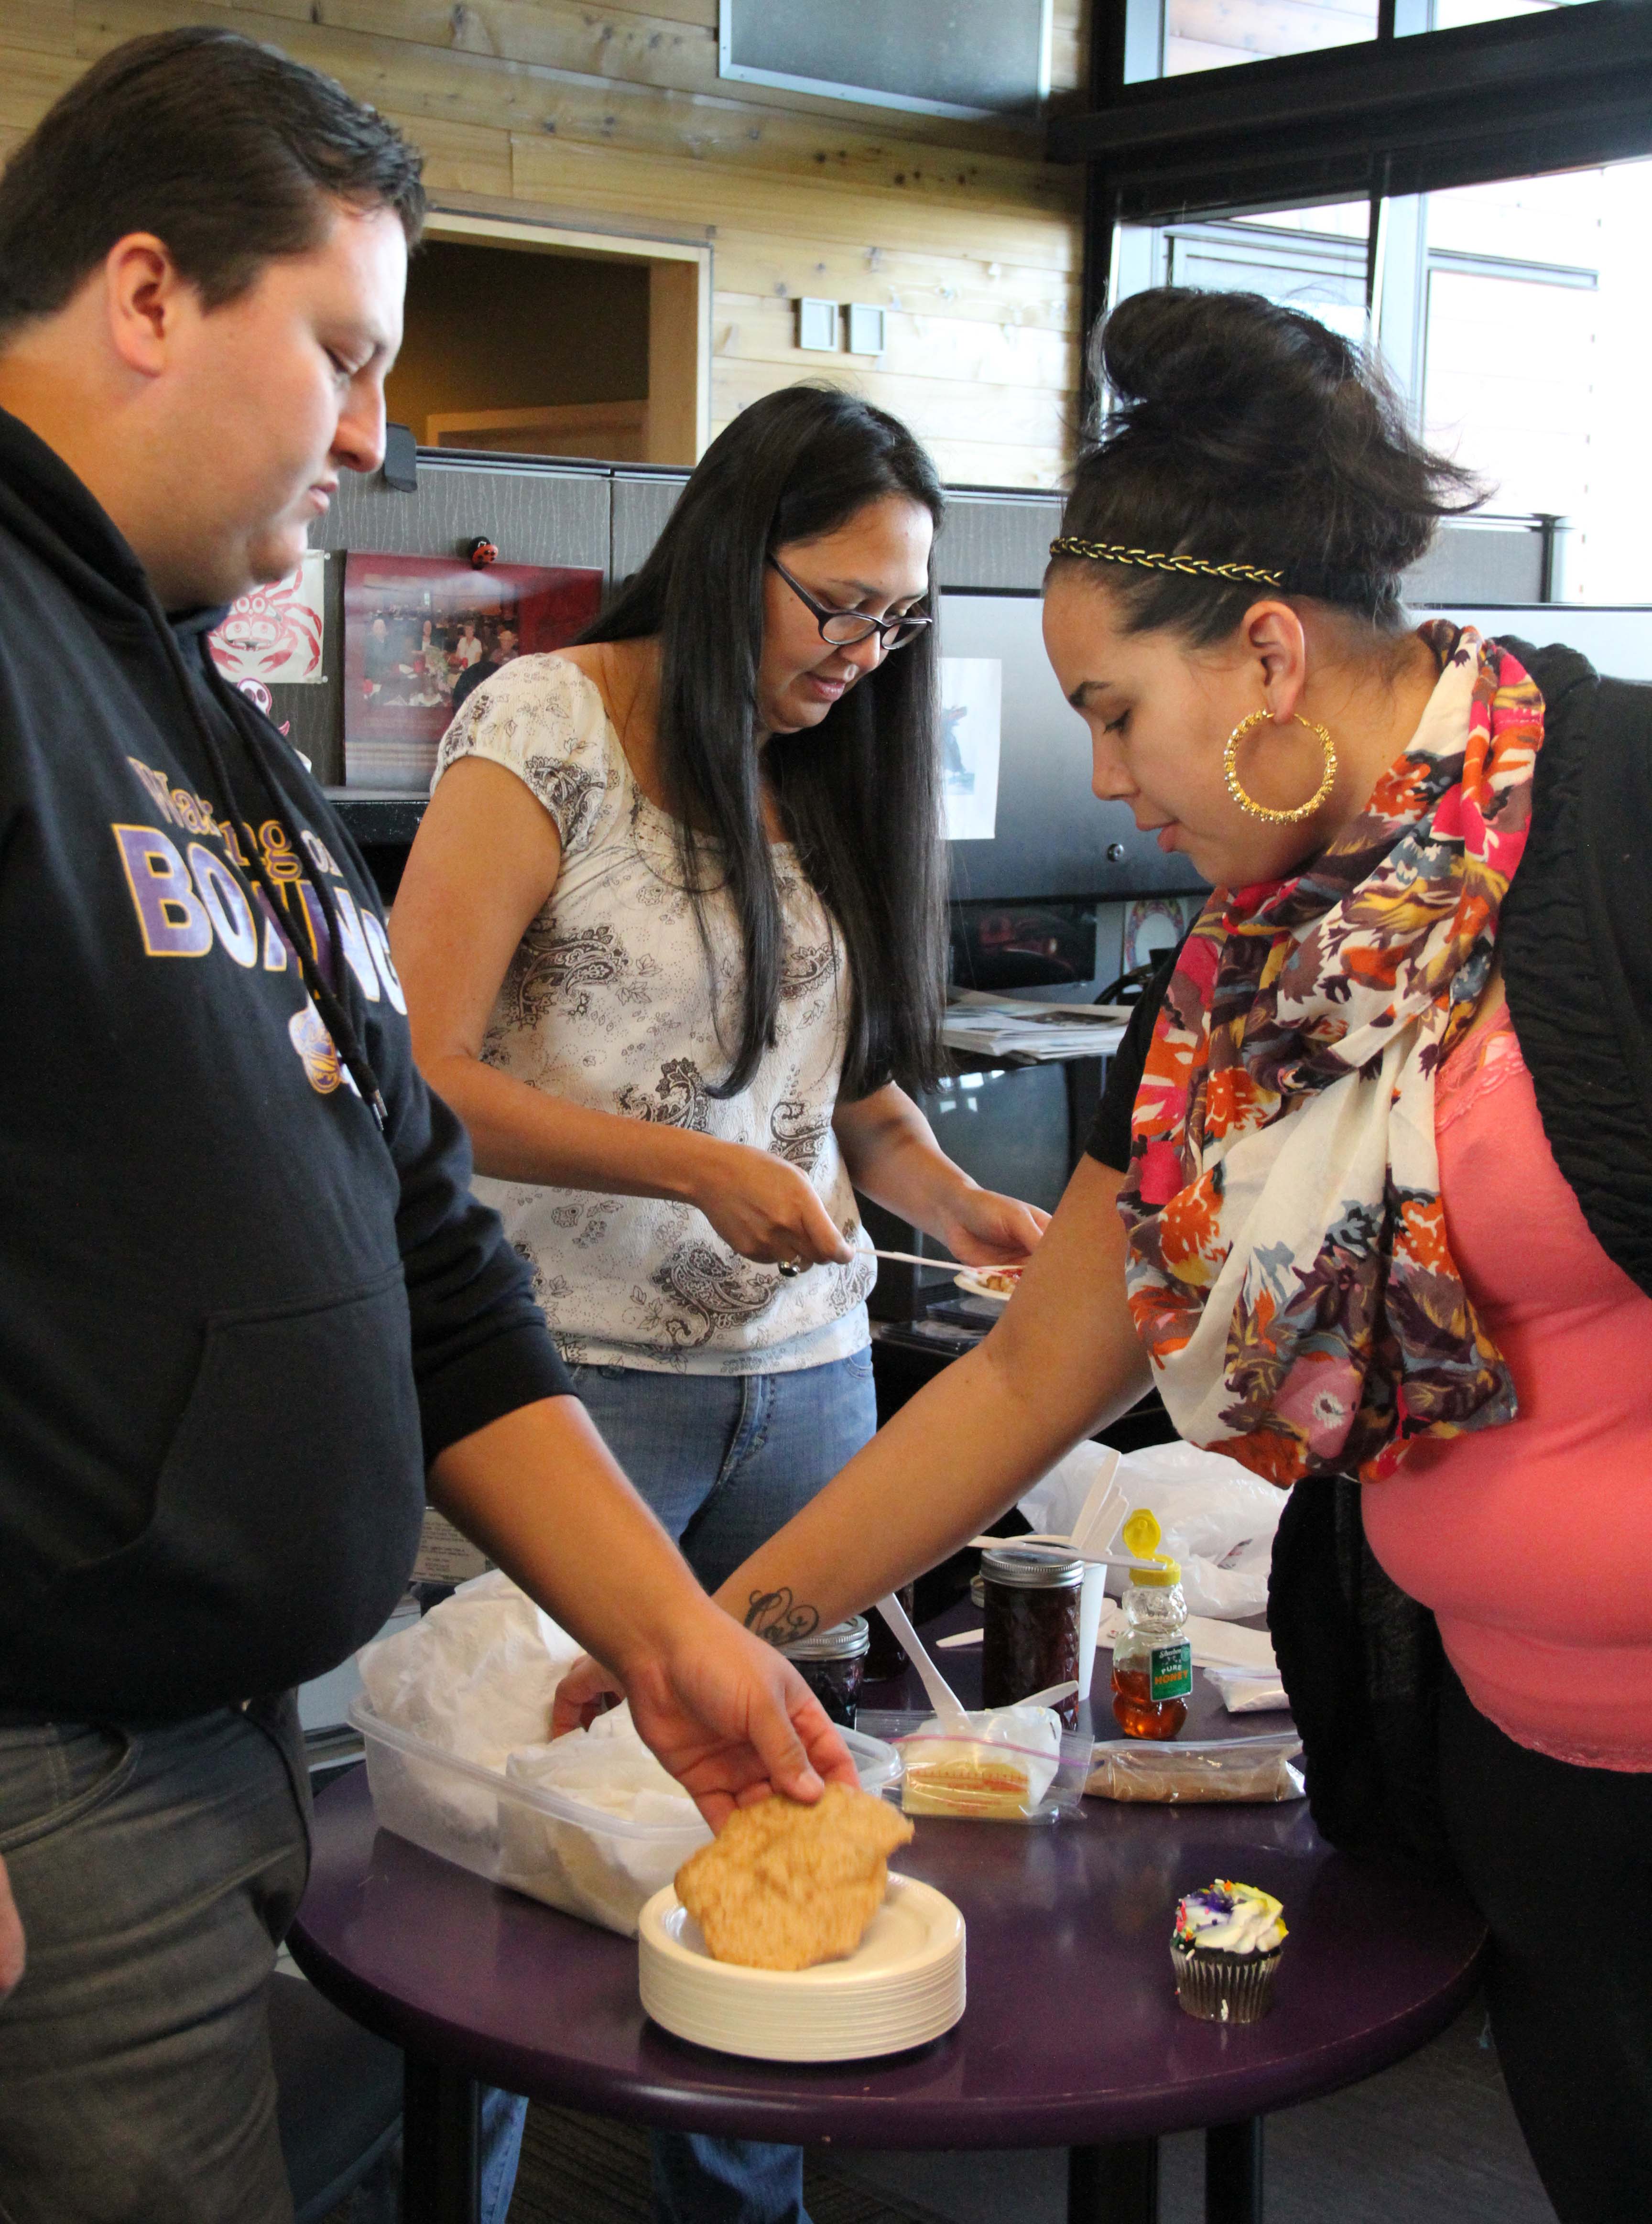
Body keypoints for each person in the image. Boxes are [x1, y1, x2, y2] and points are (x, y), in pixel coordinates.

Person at [561, 286, 1652, 2224]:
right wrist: (726, 1626)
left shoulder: (1617, 829)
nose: (1112, 773)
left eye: (1112, 712)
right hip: (1524, 1777)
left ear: (1266, 653)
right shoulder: (1236, 993)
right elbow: (1016, 1375)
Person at [0, 32, 856, 2224]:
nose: (381, 436)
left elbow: (434, 1270)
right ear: (148, 293)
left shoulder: (204, 719)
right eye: (347, 355)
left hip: (237, 1742)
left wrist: (670, 1635)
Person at [391, 383, 1048, 2224]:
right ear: (730, 552)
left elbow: (845, 1099)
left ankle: (742, 2205)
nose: (867, 652)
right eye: (837, 602)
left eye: (901, 619)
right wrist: (690, 1165)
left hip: (805, 1390)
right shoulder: (549, 720)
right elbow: (418, 1070)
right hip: (566, 1388)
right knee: (515, 1873)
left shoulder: (825, 765)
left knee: (772, 1841)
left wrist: (957, 1203)